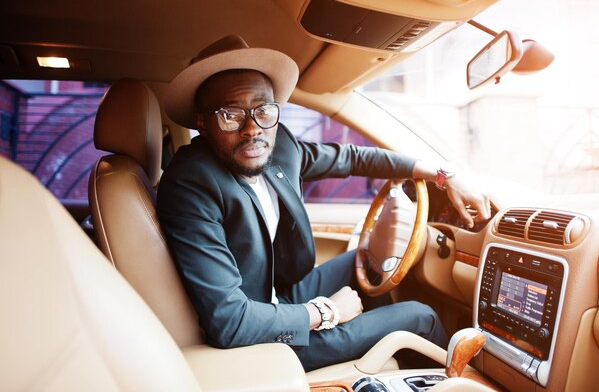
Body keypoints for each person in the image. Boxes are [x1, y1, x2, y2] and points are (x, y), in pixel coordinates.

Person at [157, 35, 491, 371]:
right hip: (254, 341)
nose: (251, 129)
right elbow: (230, 322)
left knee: (366, 261)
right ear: (202, 122)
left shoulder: (278, 144)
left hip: (275, 296)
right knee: (420, 316)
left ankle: (375, 363)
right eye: (230, 114)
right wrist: (326, 312)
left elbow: (351, 157)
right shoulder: (191, 183)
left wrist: (444, 176)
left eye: (263, 109)